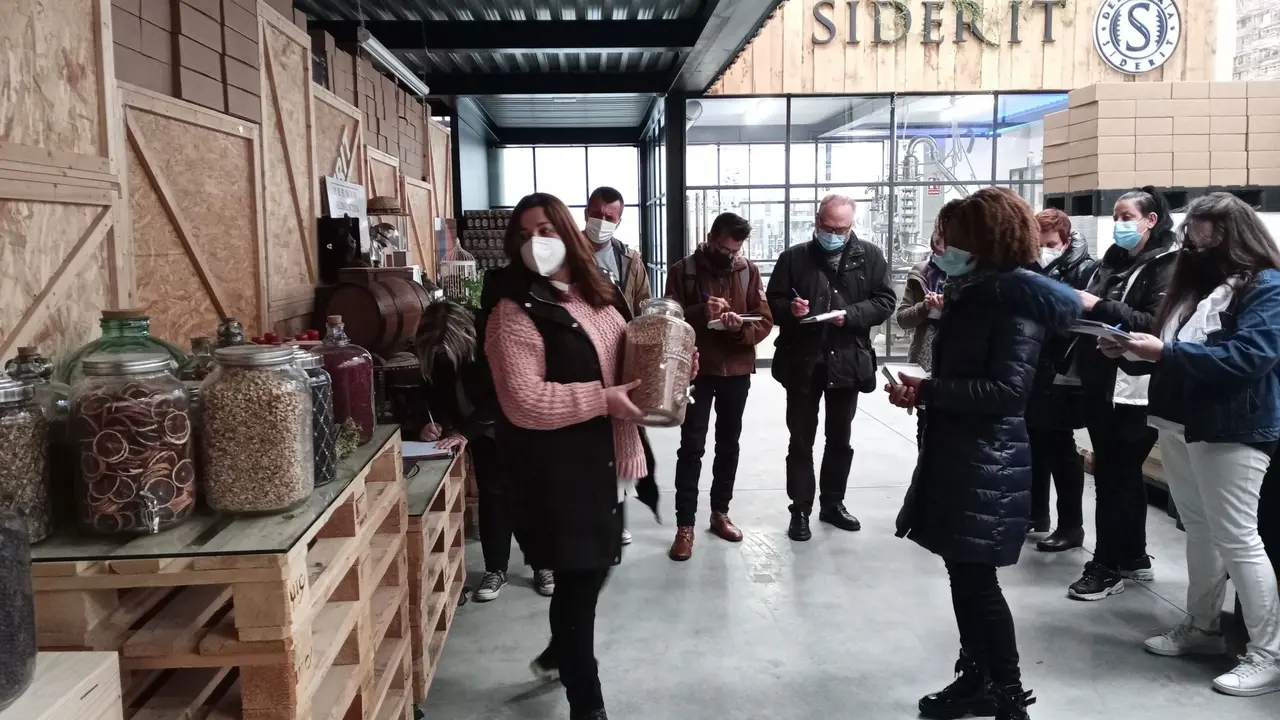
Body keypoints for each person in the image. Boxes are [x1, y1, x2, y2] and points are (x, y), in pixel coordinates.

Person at [484, 192, 694, 720]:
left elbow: (630, 360)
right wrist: (601, 400)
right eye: (525, 234)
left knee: (594, 569)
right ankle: (587, 703)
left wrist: (671, 369)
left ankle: (560, 652)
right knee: (579, 584)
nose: (537, 242)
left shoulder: (598, 296)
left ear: (569, 234)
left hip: (608, 463)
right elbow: (523, 400)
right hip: (559, 473)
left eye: (547, 230)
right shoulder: (513, 312)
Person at [888, 188, 1082, 720]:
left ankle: (1008, 694)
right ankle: (976, 677)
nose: (944, 248)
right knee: (963, 575)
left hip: (987, 460)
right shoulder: (974, 293)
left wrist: (930, 390)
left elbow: (1007, 393)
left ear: (986, 240)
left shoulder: (1014, 302)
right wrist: (925, 393)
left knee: (977, 581)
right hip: (961, 452)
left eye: (953, 239)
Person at [1095, 193, 1280, 696]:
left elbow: (1249, 357)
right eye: (1192, 241)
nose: (1195, 251)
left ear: (1235, 239)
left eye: (1206, 242)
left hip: (1233, 426)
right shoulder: (1196, 289)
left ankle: (1268, 653)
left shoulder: (1265, 286)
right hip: (1181, 421)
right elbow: (1173, 352)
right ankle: (1202, 627)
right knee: (1199, 530)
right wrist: (1129, 352)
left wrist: (1162, 352)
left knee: (1238, 538)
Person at [1063, 186, 1179, 601]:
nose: (1118, 224)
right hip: (1101, 380)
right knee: (1119, 474)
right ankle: (1133, 556)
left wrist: (1097, 306)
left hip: (1135, 388)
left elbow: (1152, 321)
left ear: (1151, 220)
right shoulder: (1112, 262)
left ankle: (1106, 565)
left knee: (1116, 474)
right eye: (1115, 216)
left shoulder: (1167, 265)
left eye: (1126, 217)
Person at [766, 194, 896, 541]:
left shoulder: (870, 256)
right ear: (817, 220)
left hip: (848, 362)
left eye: (842, 229)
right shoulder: (793, 257)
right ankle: (800, 509)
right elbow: (773, 301)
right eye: (828, 227)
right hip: (803, 362)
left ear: (852, 225)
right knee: (800, 440)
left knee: (840, 439)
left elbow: (885, 300)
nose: (834, 234)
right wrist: (790, 309)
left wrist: (850, 315)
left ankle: (833, 504)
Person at [413, 300, 554, 601]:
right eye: (439, 355)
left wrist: (465, 431)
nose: (444, 358)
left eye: (450, 353)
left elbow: (506, 395)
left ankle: (545, 564)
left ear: (466, 337)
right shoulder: (435, 349)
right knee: (493, 495)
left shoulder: (496, 340)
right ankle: (496, 569)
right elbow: (429, 394)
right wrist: (428, 423)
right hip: (480, 432)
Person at [663, 211, 774, 561]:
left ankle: (720, 512)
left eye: (736, 250)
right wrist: (701, 311)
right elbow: (667, 320)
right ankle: (685, 525)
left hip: (736, 370)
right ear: (711, 239)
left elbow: (764, 320)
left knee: (729, 444)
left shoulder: (748, 271)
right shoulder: (683, 270)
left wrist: (739, 328)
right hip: (696, 370)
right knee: (691, 447)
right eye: (725, 249)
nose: (731, 256)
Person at [585, 185, 655, 543]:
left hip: (619, 357)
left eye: (609, 217)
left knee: (622, 438)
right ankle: (586, 515)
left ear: (619, 220)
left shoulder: (629, 259)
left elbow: (644, 307)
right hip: (582, 357)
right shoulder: (567, 252)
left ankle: (616, 516)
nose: (601, 221)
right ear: (586, 212)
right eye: (596, 213)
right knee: (587, 441)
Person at [1027, 209, 1098, 552]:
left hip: (1064, 368)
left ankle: (1071, 526)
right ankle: (1036, 514)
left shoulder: (1086, 270)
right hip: (1037, 363)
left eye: (1051, 244)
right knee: (1035, 441)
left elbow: (1081, 317)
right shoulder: (1034, 266)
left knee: (1060, 447)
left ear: (1066, 241)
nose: (1044, 250)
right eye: (1038, 244)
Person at [894, 222, 947, 372]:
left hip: (955, 361)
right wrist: (924, 307)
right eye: (937, 253)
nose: (942, 258)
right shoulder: (920, 273)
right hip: (922, 359)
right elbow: (902, 320)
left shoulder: (969, 276)